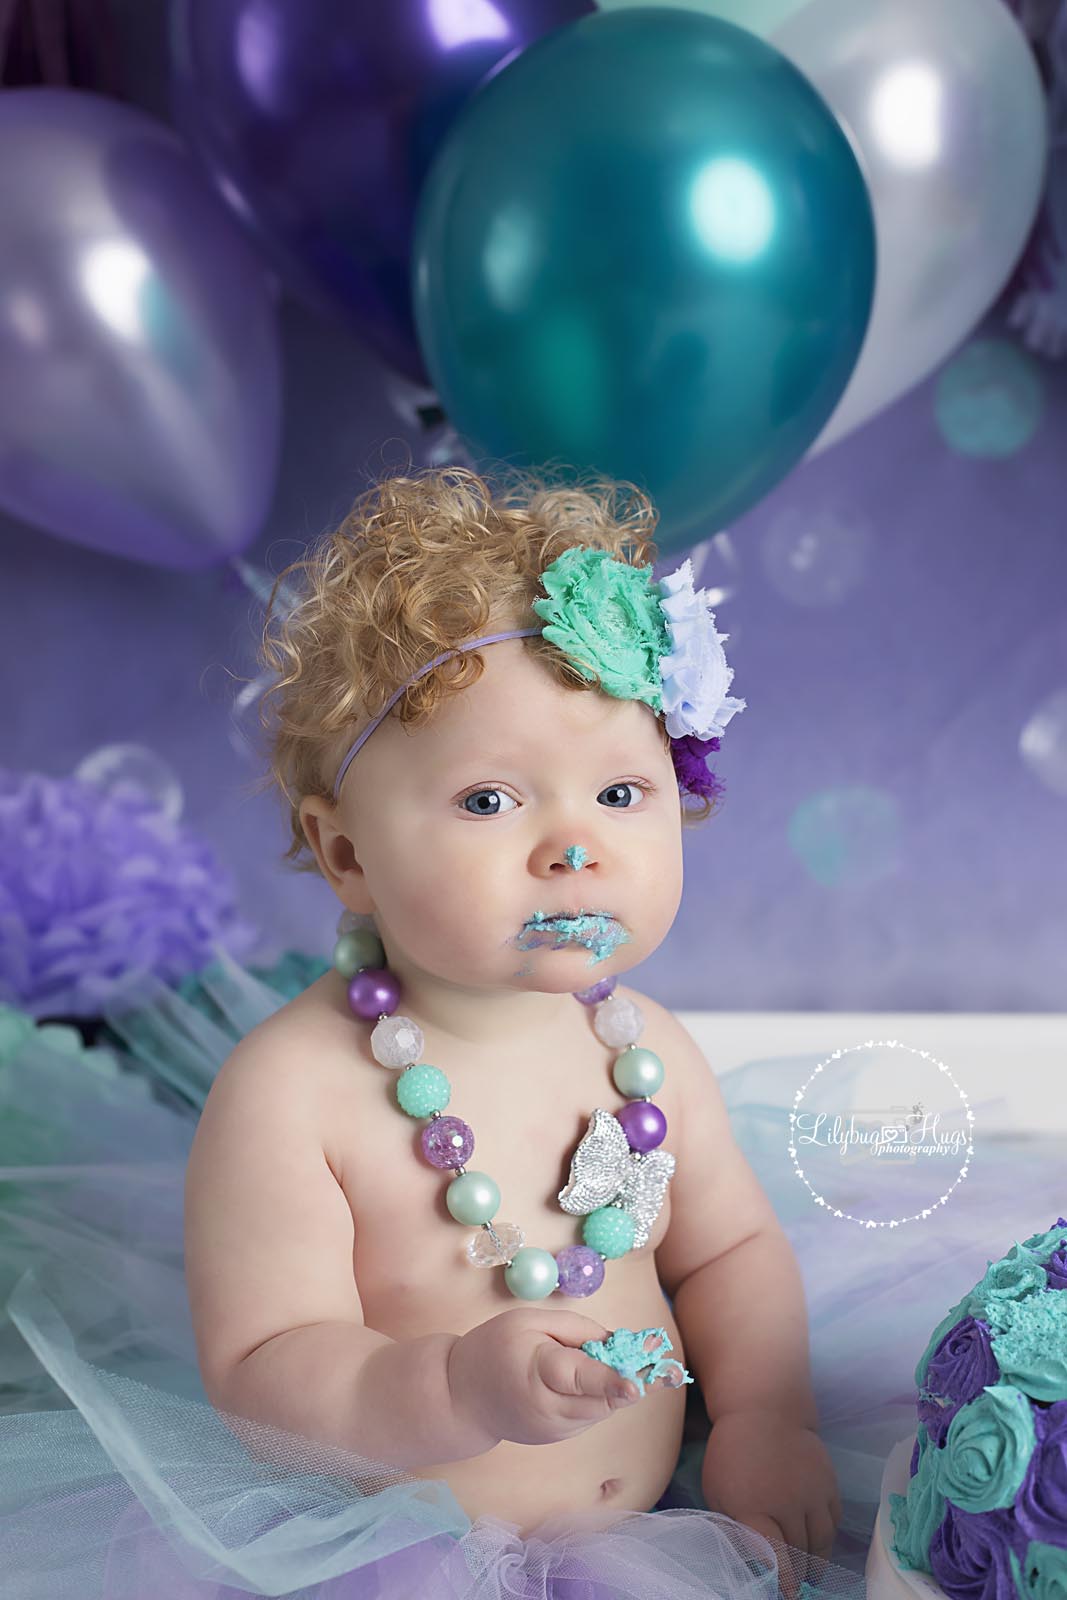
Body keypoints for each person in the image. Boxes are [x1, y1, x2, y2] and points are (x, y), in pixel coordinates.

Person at [0, 465, 1057, 1600]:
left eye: (619, 794)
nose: (571, 847)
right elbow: (263, 1369)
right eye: (489, 800)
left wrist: (762, 1418)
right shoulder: (291, 1092)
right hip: (394, 1549)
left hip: (658, 1530)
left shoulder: (642, 1048)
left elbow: (729, 1253)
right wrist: (450, 1388)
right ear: (347, 853)